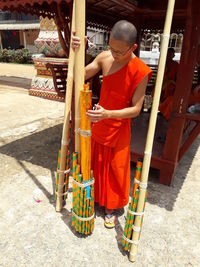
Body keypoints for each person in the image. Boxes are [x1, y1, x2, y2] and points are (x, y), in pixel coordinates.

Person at [72, 20, 152, 228]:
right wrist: (75, 52)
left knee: (116, 167)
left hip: (118, 123)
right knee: (96, 161)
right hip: (100, 120)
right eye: (111, 48)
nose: (114, 55)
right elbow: (80, 75)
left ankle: (112, 207)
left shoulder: (140, 70)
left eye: (119, 51)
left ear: (133, 47)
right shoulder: (105, 58)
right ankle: (98, 197)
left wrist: (108, 114)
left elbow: (135, 110)